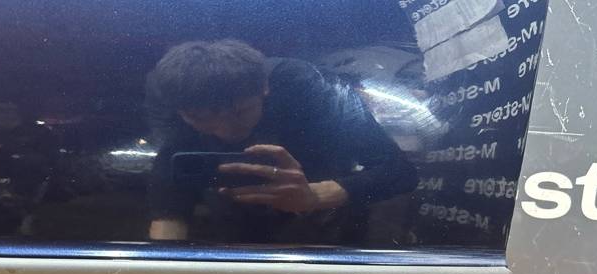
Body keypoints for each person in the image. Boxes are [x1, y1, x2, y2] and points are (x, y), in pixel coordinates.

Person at [144, 39, 418, 244]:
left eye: (239, 112)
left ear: (265, 87)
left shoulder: (305, 86)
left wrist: (315, 197)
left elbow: (398, 171)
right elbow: (169, 190)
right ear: (180, 111)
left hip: (329, 231)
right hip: (232, 232)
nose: (225, 130)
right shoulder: (170, 96)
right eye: (200, 119)